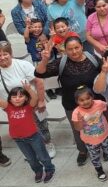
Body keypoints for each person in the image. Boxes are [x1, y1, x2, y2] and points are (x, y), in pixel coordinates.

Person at [35, 36, 100, 166]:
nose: (74, 51)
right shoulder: (61, 62)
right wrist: (45, 60)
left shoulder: (93, 59)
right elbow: (39, 73)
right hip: (72, 104)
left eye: (76, 48)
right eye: (70, 49)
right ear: (65, 50)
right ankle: (82, 151)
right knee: (77, 129)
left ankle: (99, 147)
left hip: (94, 103)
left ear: (82, 46)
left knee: (97, 126)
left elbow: (105, 73)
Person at [0, 81, 55, 182]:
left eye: (21, 96)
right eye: (14, 97)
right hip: (18, 139)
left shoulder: (29, 107)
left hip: (34, 137)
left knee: (42, 156)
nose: (17, 99)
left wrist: (29, 89)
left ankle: (49, 169)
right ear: (9, 99)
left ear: (26, 98)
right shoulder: (8, 107)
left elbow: (35, 98)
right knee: (30, 159)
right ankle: (38, 171)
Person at [70, 87, 108, 181]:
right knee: (94, 156)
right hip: (90, 140)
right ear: (77, 102)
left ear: (92, 97)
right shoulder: (76, 112)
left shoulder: (99, 103)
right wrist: (79, 119)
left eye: (88, 98)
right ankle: (99, 171)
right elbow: (78, 128)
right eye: (81, 100)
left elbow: (106, 110)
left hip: (104, 135)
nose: (85, 102)